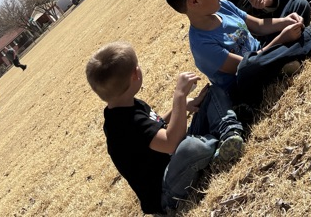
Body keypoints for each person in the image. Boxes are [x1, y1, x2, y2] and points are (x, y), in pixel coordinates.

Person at [85, 41, 244, 215]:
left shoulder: (123, 105)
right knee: (192, 147)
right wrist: (179, 96)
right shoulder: (124, 124)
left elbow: (156, 125)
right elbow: (171, 142)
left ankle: (229, 132)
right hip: (166, 191)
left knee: (212, 93)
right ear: (136, 74)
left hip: (173, 158)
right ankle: (218, 141)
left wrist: (184, 105)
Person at [163, 0, 311, 106]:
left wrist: (285, 22)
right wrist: (282, 38)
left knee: (297, 4)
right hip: (249, 82)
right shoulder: (202, 45)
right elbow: (244, 67)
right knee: (248, 67)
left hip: (263, 50)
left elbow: (259, 27)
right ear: (194, 1)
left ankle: (286, 61)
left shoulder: (223, 6)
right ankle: (308, 37)